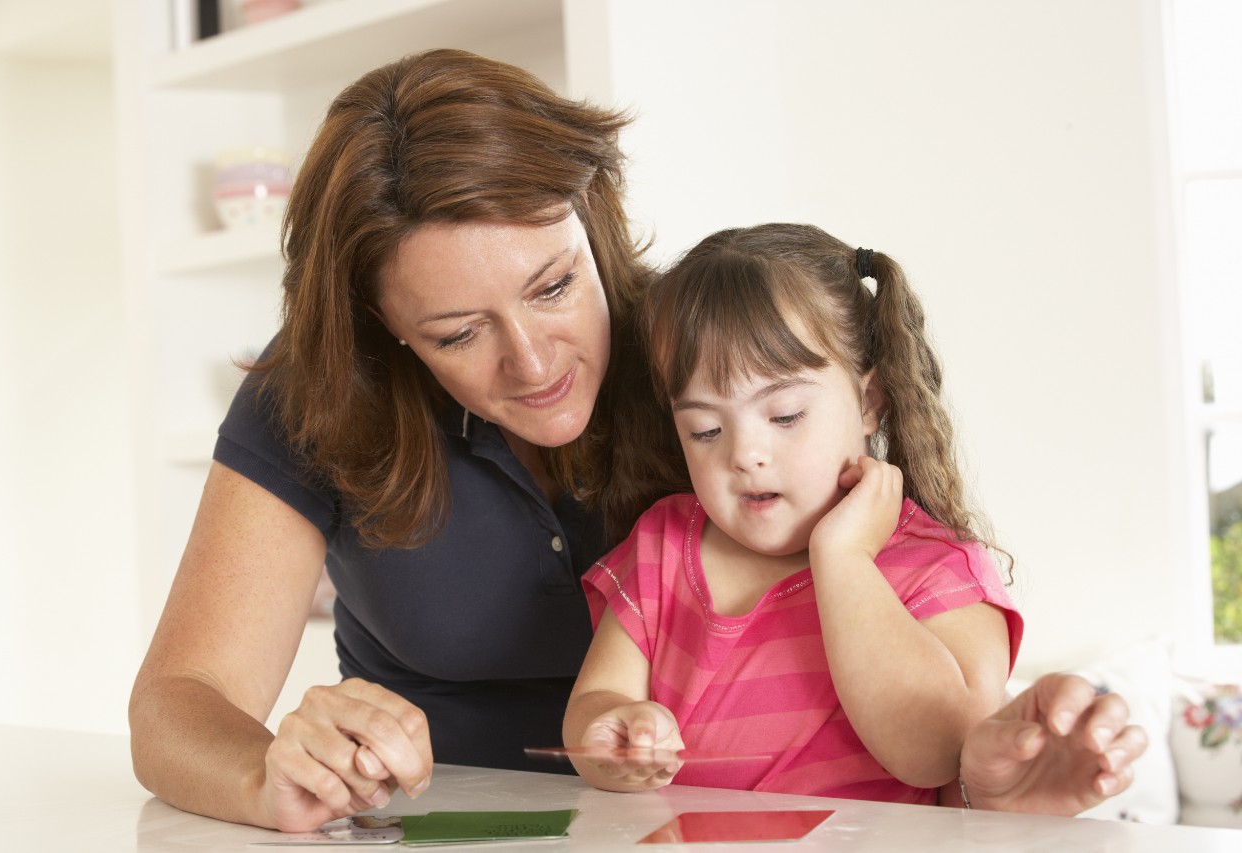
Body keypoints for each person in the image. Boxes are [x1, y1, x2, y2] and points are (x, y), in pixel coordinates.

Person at [128, 49, 1147, 833]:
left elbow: (937, 729)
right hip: (443, 829)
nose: (532, 362)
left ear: (592, 217)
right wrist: (269, 772)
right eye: (457, 333)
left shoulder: (706, 364)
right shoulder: (319, 393)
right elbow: (180, 702)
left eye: (553, 285)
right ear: (380, 325)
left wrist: (982, 779)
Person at [565, 223, 1020, 803]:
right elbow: (595, 703)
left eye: (784, 416)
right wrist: (616, 731)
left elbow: (938, 752)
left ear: (869, 401)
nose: (744, 455)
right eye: (705, 430)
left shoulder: (940, 569)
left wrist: (844, 558)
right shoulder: (663, 545)